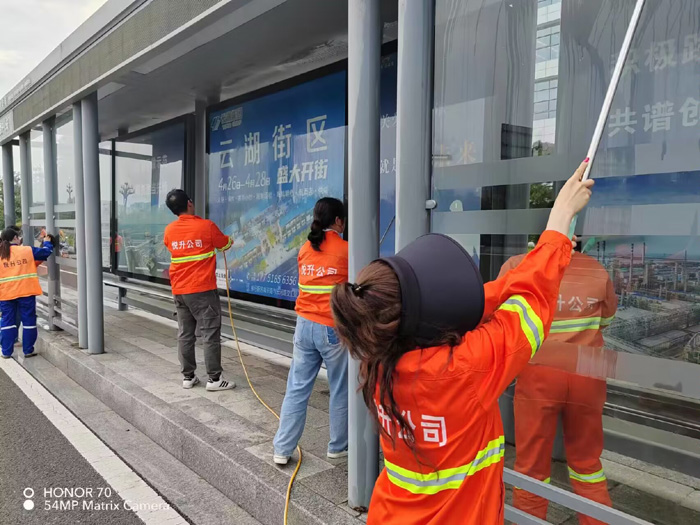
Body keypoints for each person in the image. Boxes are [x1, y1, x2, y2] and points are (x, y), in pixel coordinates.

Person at [329, 161, 594, 524]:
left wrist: (549, 247)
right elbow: (530, 304)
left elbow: (478, 300)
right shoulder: (462, 371)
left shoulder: (379, 358)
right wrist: (560, 218)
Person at [499, 250, 617, 525]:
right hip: (588, 371)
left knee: (531, 466)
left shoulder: (518, 264)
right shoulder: (595, 267)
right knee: (587, 464)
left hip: (539, 371)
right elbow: (606, 319)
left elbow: (501, 317)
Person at [273, 197, 349, 465]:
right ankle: (338, 447)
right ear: (338, 221)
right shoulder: (346, 250)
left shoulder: (306, 248)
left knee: (296, 389)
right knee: (340, 388)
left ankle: (282, 449)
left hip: (304, 326)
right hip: (332, 329)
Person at [163, 189, 235, 391]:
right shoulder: (206, 226)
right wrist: (230, 240)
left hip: (180, 290)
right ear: (189, 203)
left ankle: (188, 377)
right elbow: (225, 244)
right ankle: (214, 379)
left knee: (185, 334)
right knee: (210, 333)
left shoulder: (169, 230)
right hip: (202, 290)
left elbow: (172, 247)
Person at [0, 227, 55, 359]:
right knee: (29, 321)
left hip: (6, 294)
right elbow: (46, 252)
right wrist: (47, 242)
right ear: (15, 238)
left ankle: (6, 352)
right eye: (18, 237)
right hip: (26, 292)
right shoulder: (26, 250)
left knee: (7, 322)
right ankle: (28, 350)